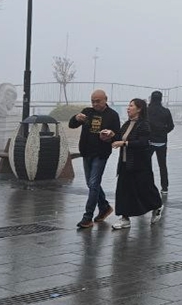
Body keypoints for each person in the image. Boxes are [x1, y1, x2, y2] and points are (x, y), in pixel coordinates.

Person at [69, 90, 121, 229]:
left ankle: (87, 217)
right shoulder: (88, 112)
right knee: (91, 184)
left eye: (98, 101)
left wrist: (111, 134)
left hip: (101, 153)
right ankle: (104, 207)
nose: (95, 104)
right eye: (93, 101)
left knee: (93, 183)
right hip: (86, 152)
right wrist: (76, 118)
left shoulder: (112, 115)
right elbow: (72, 125)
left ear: (105, 100)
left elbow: (118, 136)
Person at [110, 98, 163, 230]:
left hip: (139, 165)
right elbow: (118, 138)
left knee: (145, 189)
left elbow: (143, 142)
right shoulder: (127, 124)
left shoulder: (143, 124)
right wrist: (111, 135)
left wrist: (124, 143)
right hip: (124, 163)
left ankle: (157, 206)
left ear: (139, 109)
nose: (128, 108)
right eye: (128, 105)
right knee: (123, 191)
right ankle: (124, 218)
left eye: (131, 106)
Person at [146, 91, 175, 194]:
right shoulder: (166, 111)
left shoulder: (147, 111)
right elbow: (171, 126)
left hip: (149, 142)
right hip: (162, 142)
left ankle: (147, 185)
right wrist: (163, 132)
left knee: (146, 165)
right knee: (162, 165)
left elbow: (143, 125)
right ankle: (164, 187)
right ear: (161, 99)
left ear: (152, 98)